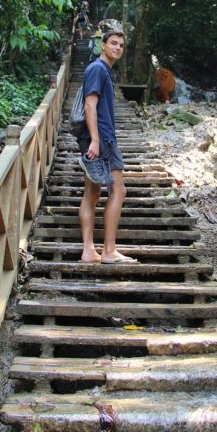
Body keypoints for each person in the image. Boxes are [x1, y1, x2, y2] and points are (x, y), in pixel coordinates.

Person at [77, 29, 137, 264]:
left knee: (92, 193)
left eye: (121, 45)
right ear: (102, 45)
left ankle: (89, 250)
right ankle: (109, 251)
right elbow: (90, 105)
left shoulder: (103, 71)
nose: (117, 48)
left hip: (97, 138)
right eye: (113, 43)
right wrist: (95, 140)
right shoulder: (98, 69)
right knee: (118, 190)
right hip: (102, 139)